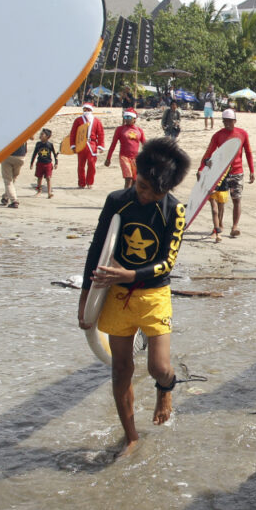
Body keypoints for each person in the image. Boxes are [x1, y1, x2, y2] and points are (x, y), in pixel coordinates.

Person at [77, 139, 190, 458]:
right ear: (136, 174)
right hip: (115, 296)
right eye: (141, 185)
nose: (144, 194)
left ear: (165, 190)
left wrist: (129, 274)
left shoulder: (175, 210)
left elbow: (168, 261)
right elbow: (98, 249)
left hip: (154, 295)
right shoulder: (116, 201)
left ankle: (166, 388)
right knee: (121, 368)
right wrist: (86, 298)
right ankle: (131, 437)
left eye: (152, 192)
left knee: (158, 366)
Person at [197, 108, 255, 240]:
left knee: (237, 199)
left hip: (237, 171)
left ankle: (235, 226)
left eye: (230, 121)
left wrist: (252, 170)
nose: (227, 124)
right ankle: (219, 227)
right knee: (220, 201)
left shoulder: (242, 134)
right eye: (225, 121)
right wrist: (200, 169)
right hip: (221, 173)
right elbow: (208, 153)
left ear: (235, 121)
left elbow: (248, 153)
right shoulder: (217, 135)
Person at [106, 110, 147, 190]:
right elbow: (113, 144)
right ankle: (125, 198)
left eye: (129, 117)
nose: (127, 119)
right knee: (128, 178)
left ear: (134, 119)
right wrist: (108, 158)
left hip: (135, 158)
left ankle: (133, 198)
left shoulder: (139, 130)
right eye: (125, 117)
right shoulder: (119, 129)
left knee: (135, 180)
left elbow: (145, 145)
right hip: (124, 156)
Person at [69, 103, 106, 188]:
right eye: (84, 109)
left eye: (88, 109)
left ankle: (90, 182)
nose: (86, 111)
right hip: (81, 145)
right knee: (81, 165)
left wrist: (100, 146)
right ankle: (81, 183)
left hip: (92, 144)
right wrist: (73, 145)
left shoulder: (96, 121)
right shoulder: (78, 120)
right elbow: (73, 133)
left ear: (91, 110)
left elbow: (100, 134)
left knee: (92, 164)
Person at [30, 128, 58, 197]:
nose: (40, 135)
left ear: (47, 137)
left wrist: (56, 163)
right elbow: (34, 154)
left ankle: (49, 193)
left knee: (48, 178)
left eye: (42, 134)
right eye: (40, 134)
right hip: (40, 163)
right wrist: (31, 163)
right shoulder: (38, 144)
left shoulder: (50, 145)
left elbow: (54, 154)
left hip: (48, 164)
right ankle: (39, 191)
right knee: (39, 178)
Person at [0, 139, 27, 208]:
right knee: (13, 178)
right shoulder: (23, 128)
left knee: (8, 180)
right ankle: (6, 196)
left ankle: (14, 200)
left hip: (8, 155)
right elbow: (32, 137)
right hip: (21, 156)